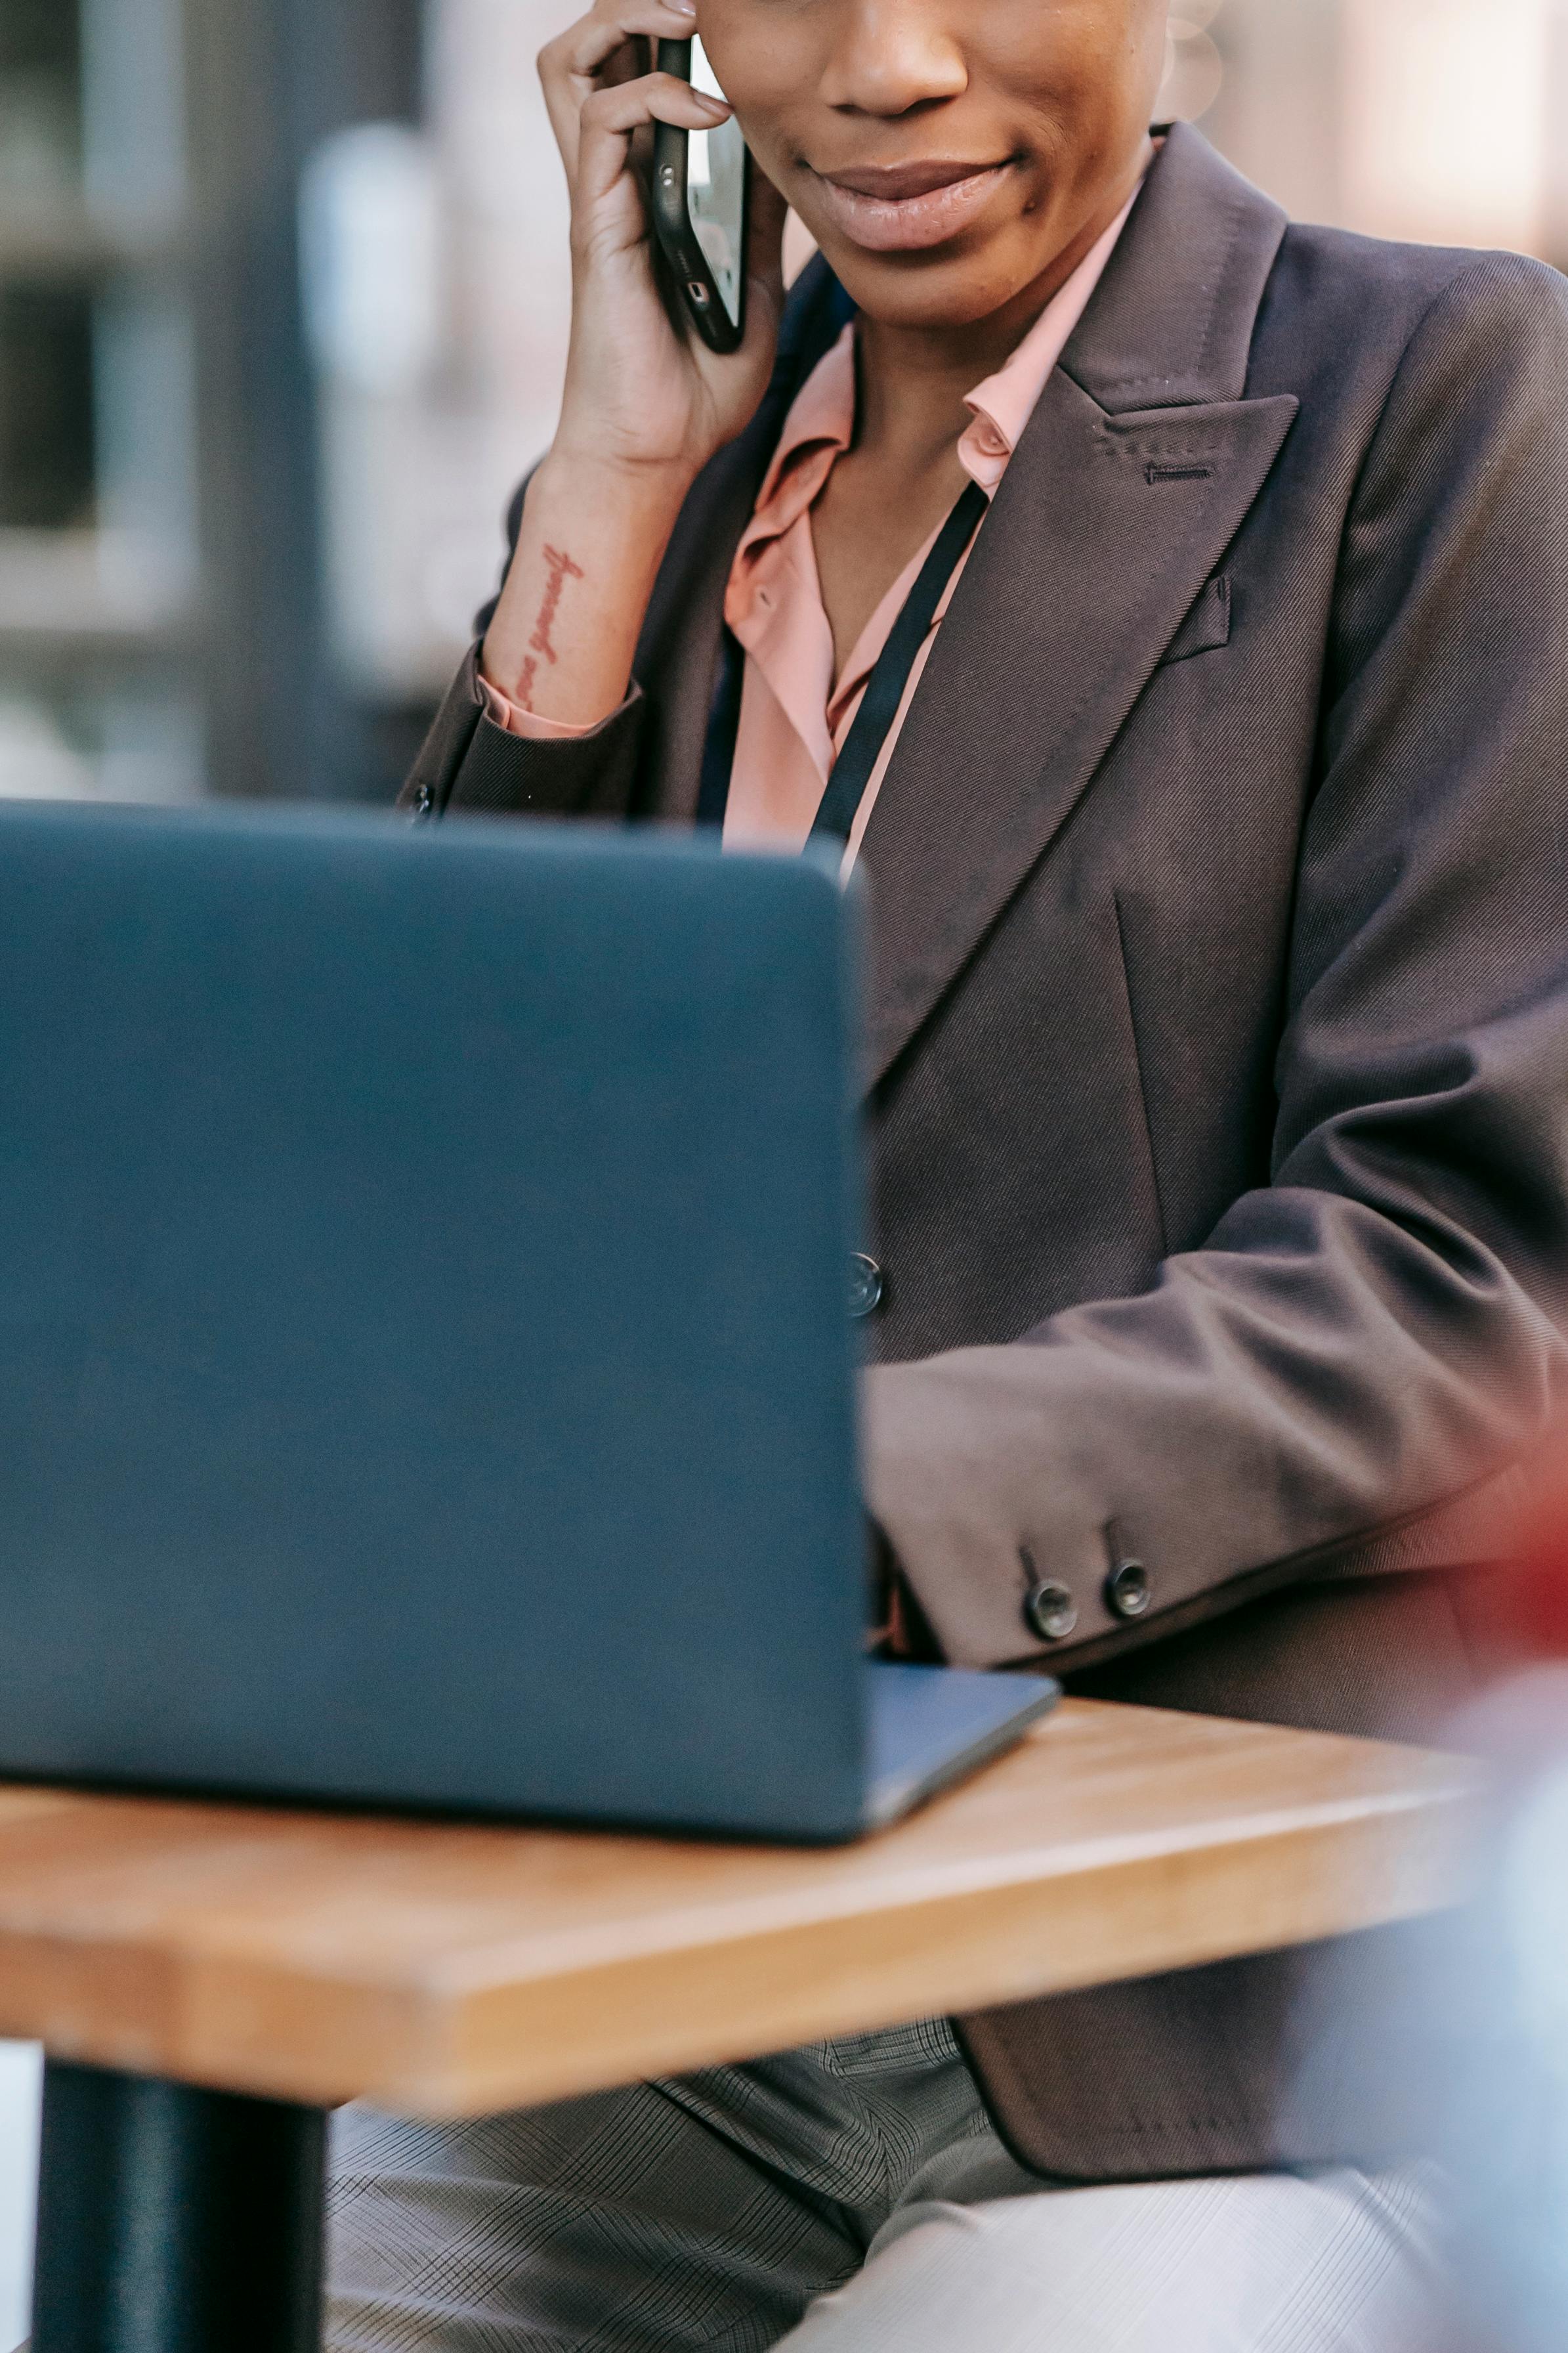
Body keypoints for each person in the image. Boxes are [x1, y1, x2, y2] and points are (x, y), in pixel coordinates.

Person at [327, 0, 1568, 2345]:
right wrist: (605, 479)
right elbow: (445, 1206)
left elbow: (1466, 1250)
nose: (889, 67)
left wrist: (820, 1511)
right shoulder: (671, 492)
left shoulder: (1447, 396)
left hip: (1222, 2029)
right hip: (674, 1979)